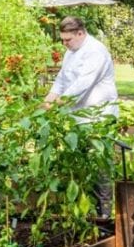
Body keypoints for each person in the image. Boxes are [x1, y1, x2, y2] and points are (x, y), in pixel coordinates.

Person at [43, 16, 119, 218]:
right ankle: (88, 212)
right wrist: (48, 98)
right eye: (63, 40)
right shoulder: (71, 51)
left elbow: (83, 83)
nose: (65, 44)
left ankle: (104, 214)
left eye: (68, 39)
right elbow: (62, 78)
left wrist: (59, 103)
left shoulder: (96, 51)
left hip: (99, 117)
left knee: (100, 166)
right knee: (83, 165)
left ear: (80, 33)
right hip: (79, 118)